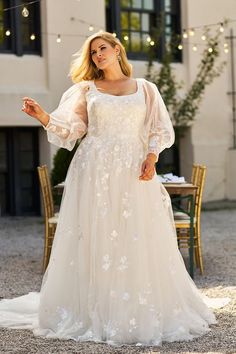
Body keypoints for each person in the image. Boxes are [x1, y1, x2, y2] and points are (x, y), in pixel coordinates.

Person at [0, 31, 228, 346]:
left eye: (102, 49)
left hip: (133, 168)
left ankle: (136, 304)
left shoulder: (146, 88)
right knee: (97, 233)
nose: (97, 55)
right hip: (93, 169)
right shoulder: (87, 89)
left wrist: (151, 156)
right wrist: (43, 117)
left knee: (135, 232)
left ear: (117, 49)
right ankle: (97, 309)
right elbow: (73, 130)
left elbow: (158, 129)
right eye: (93, 52)